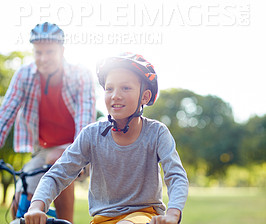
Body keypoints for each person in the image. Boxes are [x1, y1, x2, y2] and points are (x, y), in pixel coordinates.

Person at [24, 52, 189, 224]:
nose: (115, 95)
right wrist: (36, 206)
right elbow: (57, 174)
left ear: (145, 97)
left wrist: (173, 213)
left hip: (144, 215)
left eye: (125, 88)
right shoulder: (91, 134)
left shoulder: (157, 133)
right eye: (109, 89)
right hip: (101, 219)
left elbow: (176, 176)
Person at [0, 22, 96, 223]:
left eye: (50, 52)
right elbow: (5, 115)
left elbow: (85, 122)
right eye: (38, 52)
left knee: (58, 161)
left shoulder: (81, 75)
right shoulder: (24, 75)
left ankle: (66, 220)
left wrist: (77, 154)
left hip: (76, 146)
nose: (43, 58)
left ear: (62, 50)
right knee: (19, 203)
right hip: (42, 150)